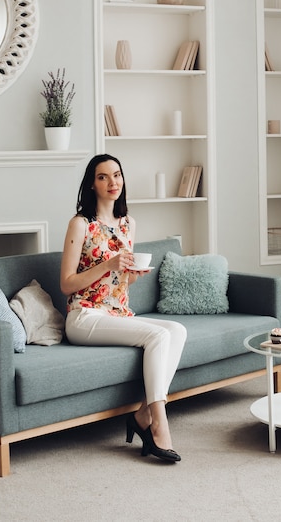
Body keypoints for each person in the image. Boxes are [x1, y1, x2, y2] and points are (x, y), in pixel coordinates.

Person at [60, 154, 187, 462]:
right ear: (92, 184)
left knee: (177, 330)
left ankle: (142, 416)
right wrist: (109, 264)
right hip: (85, 315)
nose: (112, 182)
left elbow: (119, 282)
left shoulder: (128, 224)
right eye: (103, 177)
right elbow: (66, 284)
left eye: (117, 175)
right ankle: (159, 423)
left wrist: (132, 276)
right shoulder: (81, 224)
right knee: (157, 336)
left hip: (116, 312)